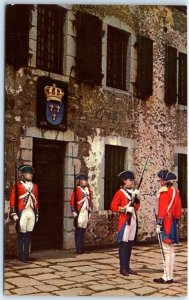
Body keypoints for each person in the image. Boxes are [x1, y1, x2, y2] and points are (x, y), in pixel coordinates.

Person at [153, 169, 182, 284]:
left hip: (166, 223)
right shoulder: (175, 191)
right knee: (171, 250)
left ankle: (166, 276)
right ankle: (169, 276)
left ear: (164, 181)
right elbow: (178, 211)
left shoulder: (164, 192)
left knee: (166, 250)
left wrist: (159, 224)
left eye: (161, 180)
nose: (160, 181)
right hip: (173, 223)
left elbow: (162, 210)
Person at [110, 171, 140, 276]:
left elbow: (136, 207)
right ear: (124, 181)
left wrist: (137, 199)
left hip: (133, 220)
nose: (131, 182)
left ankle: (127, 267)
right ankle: (122, 268)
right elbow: (113, 207)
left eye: (132, 180)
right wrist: (125, 209)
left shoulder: (133, 192)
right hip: (125, 221)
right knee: (123, 245)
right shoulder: (120, 193)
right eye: (129, 180)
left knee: (129, 245)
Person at [9, 165, 39, 262]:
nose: (30, 175)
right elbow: (12, 200)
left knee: (29, 233)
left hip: (31, 212)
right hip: (22, 212)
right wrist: (14, 213)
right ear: (23, 175)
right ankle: (21, 255)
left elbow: (36, 200)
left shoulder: (35, 186)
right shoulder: (17, 186)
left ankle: (26, 254)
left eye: (31, 174)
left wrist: (37, 213)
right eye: (28, 173)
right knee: (22, 233)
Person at [70, 173, 92, 254]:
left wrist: (89, 210)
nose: (85, 182)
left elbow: (90, 200)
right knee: (78, 230)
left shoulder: (87, 190)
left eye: (86, 180)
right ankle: (78, 248)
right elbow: (72, 201)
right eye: (83, 180)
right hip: (79, 212)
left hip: (86, 211)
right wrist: (74, 212)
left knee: (83, 230)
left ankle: (81, 247)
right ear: (80, 181)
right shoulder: (77, 189)